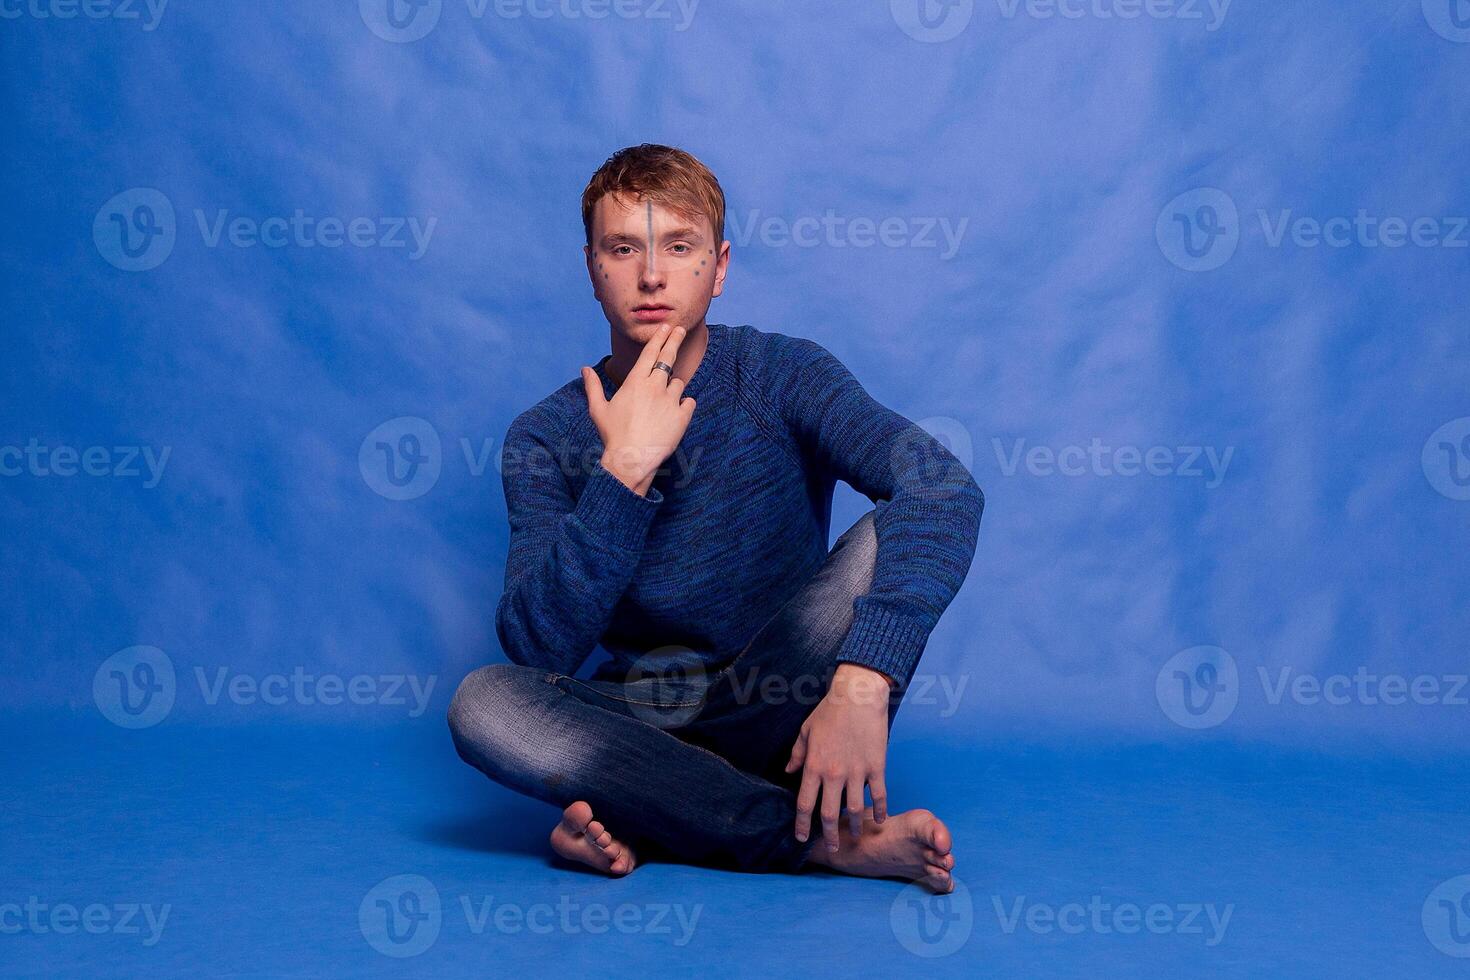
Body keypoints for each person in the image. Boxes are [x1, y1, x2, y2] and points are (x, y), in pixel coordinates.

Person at [447, 144, 983, 894]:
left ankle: (644, 813)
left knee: (886, 534)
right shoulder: (543, 436)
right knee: (484, 703)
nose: (653, 275)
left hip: (784, 701)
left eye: (679, 248)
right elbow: (539, 648)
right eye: (624, 248)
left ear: (720, 267)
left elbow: (945, 489)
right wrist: (623, 473)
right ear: (592, 268)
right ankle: (809, 841)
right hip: (642, 720)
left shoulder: (781, 374)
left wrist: (863, 686)